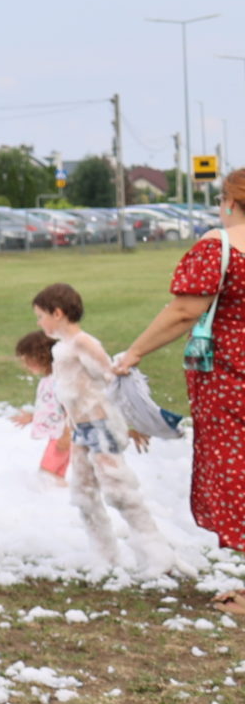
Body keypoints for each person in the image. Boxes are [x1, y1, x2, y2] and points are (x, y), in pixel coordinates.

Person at [114, 166, 245, 604]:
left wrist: (134, 353)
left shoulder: (221, 246)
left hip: (232, 382)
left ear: (230, 202)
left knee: (237, 474)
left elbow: (185, 311)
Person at [33, 283, 172, 573]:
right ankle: (104, 555)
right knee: (83, 494)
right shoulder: (61, 349)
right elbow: (68, 394)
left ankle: (157, 555)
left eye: (40, 316)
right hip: (80, 429)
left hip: (100, 427)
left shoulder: (84, 343)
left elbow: (112, 380)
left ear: (57, 313)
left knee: (120, 491)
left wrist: (132, 423)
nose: (39, 323)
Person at [11, 333, 72, 486]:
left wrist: (67, 434)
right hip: (60, 436)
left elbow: (71, 409)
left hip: (62, 437)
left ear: (41, 357)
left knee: (45, 476)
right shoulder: (50, 380)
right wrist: (33, 417)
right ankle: (62, 500)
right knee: (56, 480)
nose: (24, 364)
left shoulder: (59, 381)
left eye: (26, 359)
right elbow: (55, 410)